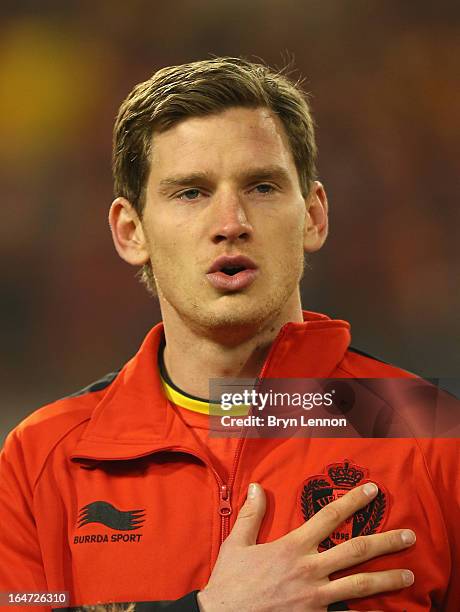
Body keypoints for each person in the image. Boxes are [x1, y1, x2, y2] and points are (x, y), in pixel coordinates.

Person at [0, 57, 458, 612]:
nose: (230, 221)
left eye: (262, 186)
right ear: (131, 231)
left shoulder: (433, 434)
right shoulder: (43, 454)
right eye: (190, 192)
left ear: (313, 216)